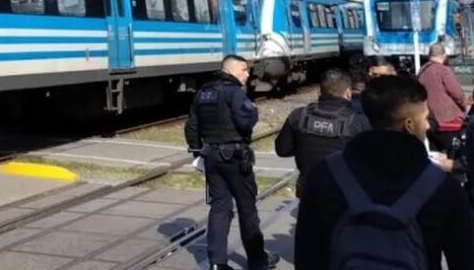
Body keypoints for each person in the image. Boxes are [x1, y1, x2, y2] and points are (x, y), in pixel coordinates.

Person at [294, 75, 474, 269]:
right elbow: (464, 260)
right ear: (409, 125)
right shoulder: (442, 187)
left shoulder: (327, 174)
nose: (429, 125)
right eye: (425, 117)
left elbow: (307, 255)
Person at [185, 55, 279, 270]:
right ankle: (257, 260)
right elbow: (245, 121)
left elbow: (191, 125)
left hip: (211, 156)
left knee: (219, 208)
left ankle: (217, 263)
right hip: (235, 157)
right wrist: (253, 113)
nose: (248, 74)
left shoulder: (203, 93)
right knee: (247, 209)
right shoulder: (235, 92)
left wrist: (197, 152)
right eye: (244, 70)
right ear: (231, 70)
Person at [274, 68, 369, 196]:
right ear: (348, 92)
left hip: (308, 191)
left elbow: (282, 150)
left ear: (320, 90)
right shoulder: (359, 121)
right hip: (344, 195)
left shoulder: (298, 116)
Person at [418, 42, 467, 153]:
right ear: (444, 55)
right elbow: (457, 93)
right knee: (454, 151)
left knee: (435, 152)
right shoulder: (444, 70)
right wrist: (463, 106)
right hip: (448, 120)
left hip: (429, 119)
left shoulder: (421, 71)